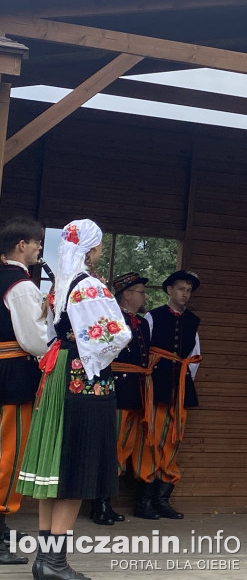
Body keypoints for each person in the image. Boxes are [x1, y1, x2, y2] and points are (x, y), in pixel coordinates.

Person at [17, 219, 131, 580]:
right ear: (93, 250)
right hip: (83, 377)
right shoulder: (91, 287)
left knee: (54, 466)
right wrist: (99, 356)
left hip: (56, 372)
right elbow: (118, 334)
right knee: (75, 464)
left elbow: (49, 333)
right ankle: (54, 563)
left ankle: (45, 559)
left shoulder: (59, 288)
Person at [0, 217, 49, 565]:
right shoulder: (21, 285)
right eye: (36, 243)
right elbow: (34, 340)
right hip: (13, 376)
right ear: (21, 245)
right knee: (9, 453)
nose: (39, 249)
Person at [136, 270, 202, 520]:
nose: (185, 293)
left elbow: (194, 358)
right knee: (152, 437)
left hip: (179, 388)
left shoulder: (193, 322)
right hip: (156, 385)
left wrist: (184, 381)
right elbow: (143, 349)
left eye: (189, 290)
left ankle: (162, 499)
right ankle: (143, 501)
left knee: (173, 440)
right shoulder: (153, 317)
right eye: (181, 288)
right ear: (169, 291)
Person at [98, 272, 151, 525]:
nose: (144, 297)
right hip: (117, 389)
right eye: (140, 291)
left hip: (135, 391)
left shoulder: (142, 323)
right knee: (112, 445)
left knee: (126, 446)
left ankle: (108, 502)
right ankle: (100, 504)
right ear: (127, 294)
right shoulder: (111, 318)